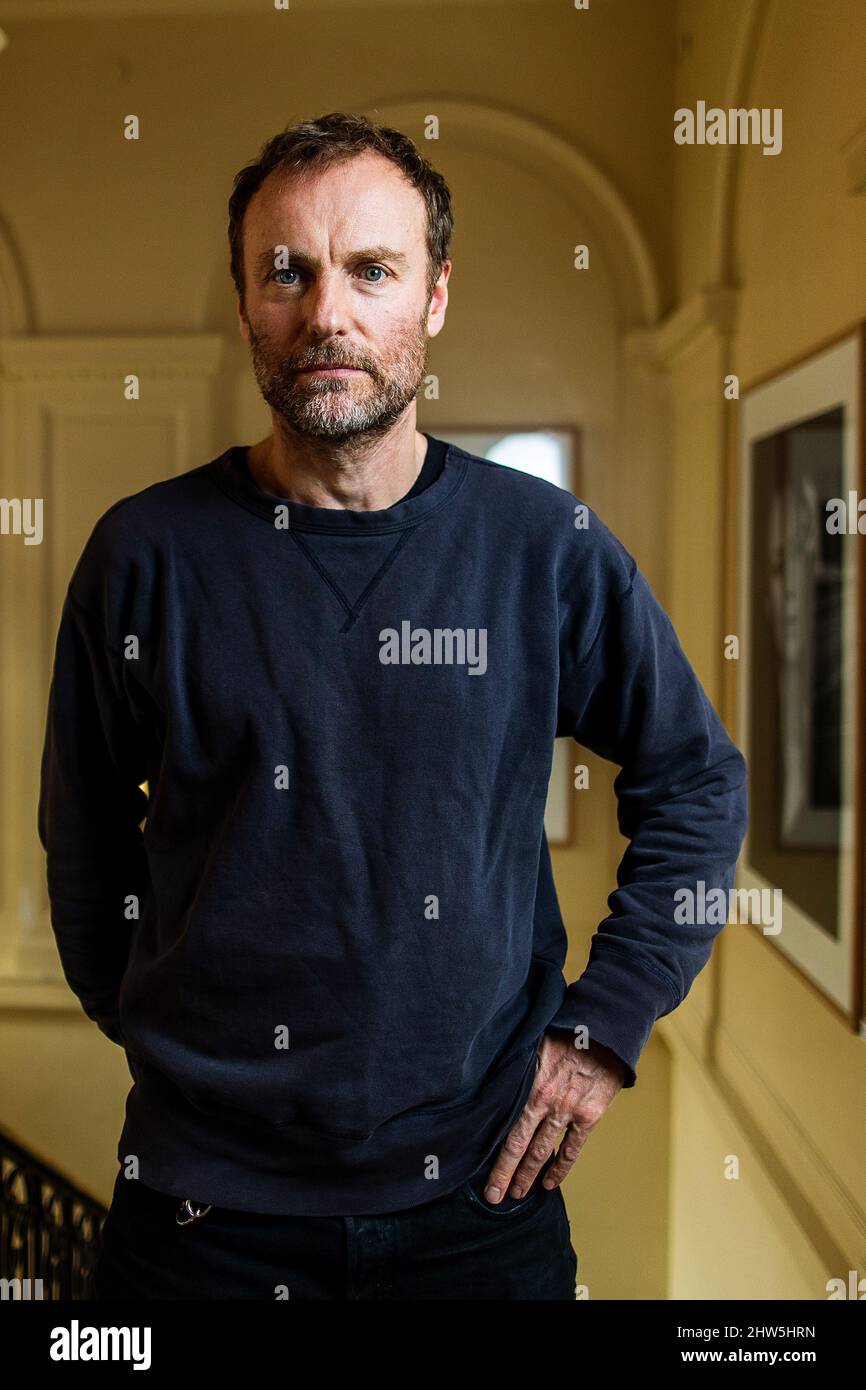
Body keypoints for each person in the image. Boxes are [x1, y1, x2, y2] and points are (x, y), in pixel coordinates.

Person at [38, 112, 749, 1301]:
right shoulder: (145, 554)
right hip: (198, 1217)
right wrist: (183, 1049)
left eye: (371, 270)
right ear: (246, 303)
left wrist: (601, 1028)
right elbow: (86, 837)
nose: (328, 313)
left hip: (482, 1205)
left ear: (433, 298)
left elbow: (695, 779)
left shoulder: (543, 550)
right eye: (288, 273)